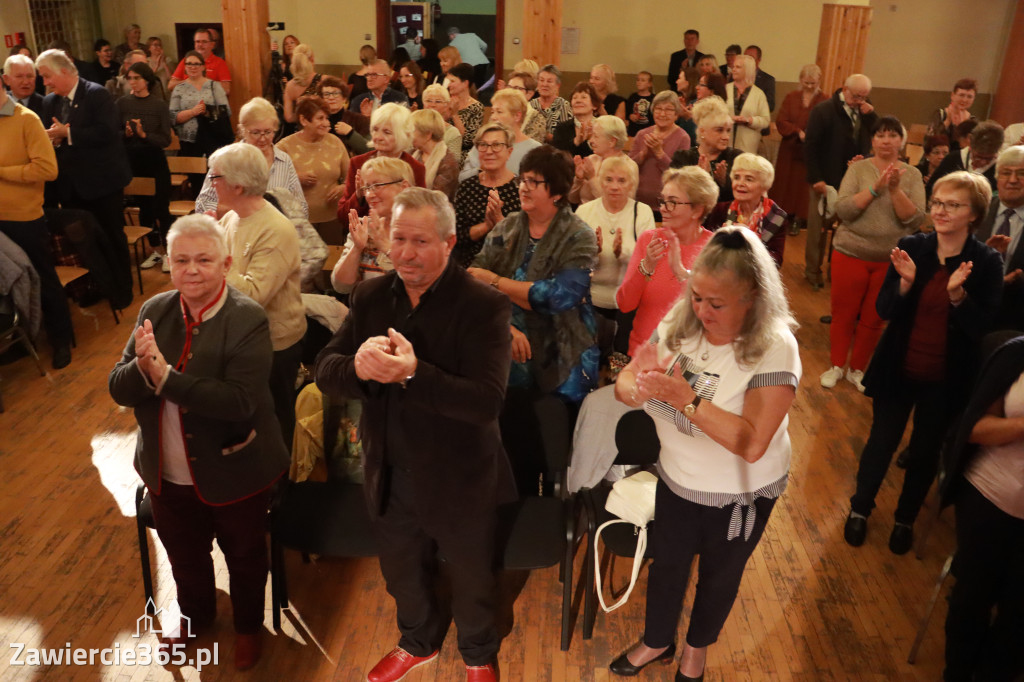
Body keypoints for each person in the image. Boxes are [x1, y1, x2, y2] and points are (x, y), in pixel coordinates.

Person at [316, 188, 512, 682]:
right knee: (401, 570)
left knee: (471, 575)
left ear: (449, 243)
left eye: (420, 241)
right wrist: (357, 367)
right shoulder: (370, 295)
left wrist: (410, 374)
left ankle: (477, 652)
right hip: (389, 468)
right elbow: (325, 369)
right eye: (399, 239)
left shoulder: (484, 306)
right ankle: (417, 641)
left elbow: (486, 402)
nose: (405, 253)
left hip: (460, 474)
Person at [609, 225, 800, 682]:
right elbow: (624, 383)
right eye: (697, 296)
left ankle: (696, 652)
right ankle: (658, 640)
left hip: (737, 493)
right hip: (677, 477)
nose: (701, 310)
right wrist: (638, 387)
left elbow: (752, 444)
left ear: (752, 297)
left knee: (719, 576)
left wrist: (685, 399)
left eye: (716, 303)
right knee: (668, 564)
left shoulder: (775, 346)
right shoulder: (682, 318)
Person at [108, 214, 288, 672]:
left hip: (236, 470)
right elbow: (119, 387)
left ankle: (248, 626)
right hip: (166, 473)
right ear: (168, 264)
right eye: (181, 260)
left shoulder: (247, 318)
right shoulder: (155, 310)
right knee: (183, 558)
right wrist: (142, 370)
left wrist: (165, 377)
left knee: (245, 558)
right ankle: (196, 617)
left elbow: (240, 403)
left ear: (225, 263)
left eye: (204, 259)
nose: (192, 269)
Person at [843, 170, 1003, 554]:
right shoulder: (912, 246)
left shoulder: (986, 262)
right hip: (899, 367)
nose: (942, 210)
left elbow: (983, 329)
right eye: (938, 203)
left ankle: (905, 520)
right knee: (881, 444)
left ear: (974, 214)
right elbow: (883, 309)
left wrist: (958, 297)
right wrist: (905, 285)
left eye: (953, 204)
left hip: (946, 379)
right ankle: (860, 509)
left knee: (925, 453)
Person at [468, 145, 599, 404]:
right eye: (522, 180)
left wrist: (495, 281)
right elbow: (473, 281)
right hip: (508, 349)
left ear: (558, 193)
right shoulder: (507, 227)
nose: (523, 187)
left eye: (534, 182)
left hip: (563, 352)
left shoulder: (579, 236)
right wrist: (507, 327)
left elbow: (556, 297)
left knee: (554, 435)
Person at [939, 333, 1024, 682]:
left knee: (1018, 622)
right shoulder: (1014, 356)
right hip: (988, 498)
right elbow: (973, 429)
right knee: (969, 604)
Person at [209, 143, 306, 448]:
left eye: (216, 177)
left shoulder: (276, 229)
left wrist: (215, 256)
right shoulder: (231, 219)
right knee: (248, 415)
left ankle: (283, 483)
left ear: (237, 186)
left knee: (274, 417)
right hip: (239, 339)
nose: (211, 182)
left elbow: (252, 296)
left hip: (274, 343)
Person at [821, 116, 926, 392]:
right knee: (843, 313)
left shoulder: (912, 175)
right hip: (850, 251)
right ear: (872, 140)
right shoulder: (857, 170)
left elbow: (912, 219)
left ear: (901, 141)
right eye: (880, 135)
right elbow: (843, 210)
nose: (886, 140)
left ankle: (858, 370)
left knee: (874, 317)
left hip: (889, 259)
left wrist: (893, 190)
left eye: (892, 135)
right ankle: (836, 365)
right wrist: (874, 189)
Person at [37, 48, 134, 309]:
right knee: (87, 243)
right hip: (71, 187)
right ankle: (99, 287)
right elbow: (51, 139)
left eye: (47, 76)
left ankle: (123, 291)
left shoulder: (96, 94)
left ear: (64, 72)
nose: (44, 83)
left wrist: (66, 133)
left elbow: (106, 132)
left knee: (112, 237)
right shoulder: (49, 102)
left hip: (103, 183)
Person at [0, 72, 72, 368]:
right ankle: (24, 337)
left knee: (43, 278)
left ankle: (61, 339)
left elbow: (47, 169)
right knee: (10, 285)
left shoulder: (25, 119)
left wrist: (3, 172)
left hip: (24, 217)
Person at [617, 166, 716, 355]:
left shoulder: (714, 249)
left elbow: (713, 312)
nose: (663, 208)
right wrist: (646, 267)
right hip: (643, 354)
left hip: (691, 357)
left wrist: (681, 273)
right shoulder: (649, 239)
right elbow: (624, 304)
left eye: (672, 202)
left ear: (697, 210)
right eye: (662, 201)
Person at [803, 73, 878, 289]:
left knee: (845, 229)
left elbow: (880, 133)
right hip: (825, 177)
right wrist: (816, 178)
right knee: (818, 230)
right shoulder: (823, 110)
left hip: (854, 181)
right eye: (856, 96)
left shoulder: (866, 110)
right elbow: (810, 146)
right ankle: (812, 271)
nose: (860, 101)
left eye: (864, 97)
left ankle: (835, 271)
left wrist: (871, 115)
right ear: (844, 89)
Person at [575, 156, 656, 354]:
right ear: (600, 182)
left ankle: (615, 378)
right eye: (609, 179)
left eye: (621, 180)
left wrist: (624, 253)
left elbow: (650, 263)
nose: (614, 186)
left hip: (627, 307)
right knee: (590, 362)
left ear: (631, 184)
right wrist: (592, 252)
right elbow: (572, 260)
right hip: (589, 302)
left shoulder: (642, 212)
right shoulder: (584, 211)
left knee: (617, 368)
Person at [194, 97, 307, 218]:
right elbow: (202, 204)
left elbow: (301, 207)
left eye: (268, 132)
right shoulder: (227, 160)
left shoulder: (283, 160)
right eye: (256, 132)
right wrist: (244, 211)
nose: (263, 138)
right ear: (243, 130)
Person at [117, 62, 173, 271]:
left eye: (137, 78)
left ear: (147, 80)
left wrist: (143, 135)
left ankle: (169, 253)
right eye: (130, 78)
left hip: (155, 161)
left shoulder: (159, 105)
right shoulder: (122, 103)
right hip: (133, 161)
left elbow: (165, 139)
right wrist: (126, 134)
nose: (133, 82)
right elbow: (114, 133)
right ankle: (155, 252)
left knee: (161, 209)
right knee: (145, 210)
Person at [331, 156, 413, 294]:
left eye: (377, 186)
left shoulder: (421, 229)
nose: (369, 195)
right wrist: (356, 249)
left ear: (404, 187)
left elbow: (424, 281)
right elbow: (341, 287)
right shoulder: (364, 227)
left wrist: (387, 248)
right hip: (365, 310)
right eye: (367, 187)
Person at [276, 95, 350, 244]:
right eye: (320, 118)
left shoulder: (335, 142)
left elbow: (351, 176)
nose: (326, 123)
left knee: (332, 263)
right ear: (304, 120)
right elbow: (271, 184)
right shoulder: (284, 147)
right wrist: (295, 179)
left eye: (327, 118)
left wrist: (343, 187)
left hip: (331, 220)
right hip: (297, 222)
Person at [337, 103, 425, 226]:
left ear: (404, 135)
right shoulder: (358, 163)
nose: (378, 137)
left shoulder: (415, 168)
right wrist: (359, 196)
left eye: (387, 132)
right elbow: (343, 216)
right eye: (375, 130)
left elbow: (420, 215)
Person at [453, 122, 522, 267]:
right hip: (468, 266)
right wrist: (486, 226)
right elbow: (456, 236)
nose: (489, 151)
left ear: (509, 152)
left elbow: (526, 240)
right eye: (483, 145)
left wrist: (500, 222)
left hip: (509, 267)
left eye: (496, 145)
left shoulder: (521, 188)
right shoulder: (467, 186)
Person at [771, 65, 827, 236]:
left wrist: (810, 134)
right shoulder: (791, 97)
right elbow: (781, 120)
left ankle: (798, 219)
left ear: (819, 81)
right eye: (806, 82)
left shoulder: (824, 99)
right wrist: (797, 131)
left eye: (813, 83)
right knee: (784, 184)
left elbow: (825, 123)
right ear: (801, 80)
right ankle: (781, 217)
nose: (810, 86)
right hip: (789, 148)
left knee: (802, 187)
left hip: (810, 151)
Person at [705, 153, 787, 266]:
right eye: (737, 177)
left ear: (764, 186)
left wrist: (749, 242)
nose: (740, 183)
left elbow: (776, 261)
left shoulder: (776, 217)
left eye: (749, 179)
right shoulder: (720, 210)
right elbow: (706, 247)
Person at [976, 145, 1024, 330]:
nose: (1013, 180)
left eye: (1021, 173)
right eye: (1006, 173)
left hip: (1017, 319)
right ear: (996, 178)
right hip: (974, 311)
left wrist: (1019, 280)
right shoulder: (977, 212)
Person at [671, 95, 742, 205]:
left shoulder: (736, 158)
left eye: (728, 131)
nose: (726, 136)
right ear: (702, 131)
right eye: (719, 130)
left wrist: (725, 181)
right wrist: (699, 180)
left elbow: (742, 196)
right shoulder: (683, 158)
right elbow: (676, 195)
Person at [460, 89, 541, 181]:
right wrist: (481, 169)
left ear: (517, 116)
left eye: (499, 112)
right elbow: (462, 177)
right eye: (492, 112)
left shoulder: (535, 150)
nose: (493, 117)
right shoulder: (484, 143)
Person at [630, 90, 691, 213]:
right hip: (638, 203)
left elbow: (680, 175)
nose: (662, 113)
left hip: (667, 205)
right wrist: (643, 154)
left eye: (668, 109)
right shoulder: (642, 134)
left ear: (676, 114)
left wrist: (659, 153)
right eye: (658, 109)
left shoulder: (683, 138)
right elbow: (629, 167)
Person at [168, 50, 231, 161]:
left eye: (196, 64)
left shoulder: (214, 86)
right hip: (188, 141)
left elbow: (226, 111)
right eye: (189, 64)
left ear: (203, 67)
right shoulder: (179, 88)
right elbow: (172, 117)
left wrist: (207, 111)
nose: (193, 67)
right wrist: (193, 112)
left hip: (213, 138)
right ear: (185, 67)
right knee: (194, 175)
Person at [569, 115, 636, 205]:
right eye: (591, 136)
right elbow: (572, 199)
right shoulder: (591, 160)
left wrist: (592, 178)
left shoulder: (629, 166)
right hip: (584, 216)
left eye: (596, 136)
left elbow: (618, 204)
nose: (591, 141)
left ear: (612, 141)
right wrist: (578, 180)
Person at [926, 120, 1004, 197]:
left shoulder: (1001, 167)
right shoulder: (953, 159)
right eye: (977, 157)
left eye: (988, 159)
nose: (982, 162)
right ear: (970, 145)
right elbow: (931, 189)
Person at [409, 108, 459, 199]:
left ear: (428, 134)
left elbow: (437, 199)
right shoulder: (412, 153)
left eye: (412, 130)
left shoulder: (448, 162)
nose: (408, 134)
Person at [725, 55, 769, 155]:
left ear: (748, 70)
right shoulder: (725, 89)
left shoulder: (758, 94)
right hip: (726, 143)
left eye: (738, 67)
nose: (734, 70)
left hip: (747, 147)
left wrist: (749, 120)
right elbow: (716, 113)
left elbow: (765, 120)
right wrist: (728, 118)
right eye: (734, 67)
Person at [317, 76, 370, 156]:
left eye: (335, 94)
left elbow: (370, 150)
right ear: (321, 99)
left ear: (344, 98)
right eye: (327, 94)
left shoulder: (359, 120)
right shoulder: (315, 120)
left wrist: (350, 133)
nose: (331, 98)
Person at [169, 29, 231, 95]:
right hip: (187, 102)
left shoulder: (220, 62)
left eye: (204, 42)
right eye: (197, 42)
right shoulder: (186, 60)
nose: (200, 45)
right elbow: (171, 86)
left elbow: (227, 89)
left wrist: (205, 81)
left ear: (212, 44)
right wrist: (189, 81)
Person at [551, 81, 602, 158]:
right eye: (575, 98)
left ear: (594, 105)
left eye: (584, 97)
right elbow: (557, 157)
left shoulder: (602, 127)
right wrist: (576, 142)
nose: (578, 101)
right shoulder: (561, 128)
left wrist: (588, 142)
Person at [445, 63, 484, 156]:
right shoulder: (446, 102)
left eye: (452, 81)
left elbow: (467, 141)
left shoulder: (476, 107)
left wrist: (454, 115)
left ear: (465, 83)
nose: (449, 85)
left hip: (464, 155)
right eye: (448, 81)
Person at [926, 78, 977, 147]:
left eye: (969, 97)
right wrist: (948, 121)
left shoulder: (972, 120)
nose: (965, 100)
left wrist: (963, 126)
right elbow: (929, 141)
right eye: (961, 95)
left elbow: (971, 147)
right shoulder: (939, 114)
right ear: (952, 95)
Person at [281, 45, 323, 125]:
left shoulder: (290, 85)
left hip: (300, 130)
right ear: (312, 60)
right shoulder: (323, 80)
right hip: (322, 128)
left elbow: (289, 117)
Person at [421, 83, 463, 160]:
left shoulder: (453, 133)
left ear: (446, 105)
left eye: (438, 101)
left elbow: (454, 161)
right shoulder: (415, 127)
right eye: (428, 101)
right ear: (423, 104)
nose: (432, 105)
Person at [531, 65, 573, 141]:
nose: (545, 84)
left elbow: (567, 138)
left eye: (549, 81)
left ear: (558, 85)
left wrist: (545, 135)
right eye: (541, 80)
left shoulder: (564, 106)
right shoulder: (530, 105)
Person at [507, 71, 547, 144]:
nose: (510, 92)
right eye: (509, 87)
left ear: (529, 94)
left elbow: (530, 149)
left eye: (516, 88)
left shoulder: (536, 119)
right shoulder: (499, 112)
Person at [744, 45, 775, 112]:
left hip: (756, 118)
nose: (747, 60)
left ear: (759, 60)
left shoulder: (767, 80)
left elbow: (770, 106)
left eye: (751, 58)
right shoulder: (735, 77)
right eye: (745, 57)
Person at [625, 71, 655, 138]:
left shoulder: (653, 99)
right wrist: (630, 116)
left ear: (649, 84)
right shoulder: (633, 97)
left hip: (648, 132)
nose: (639, 82)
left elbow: (654, 116)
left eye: (643, 80)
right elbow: (627, 112)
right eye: (638, 80)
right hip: (633, 131)